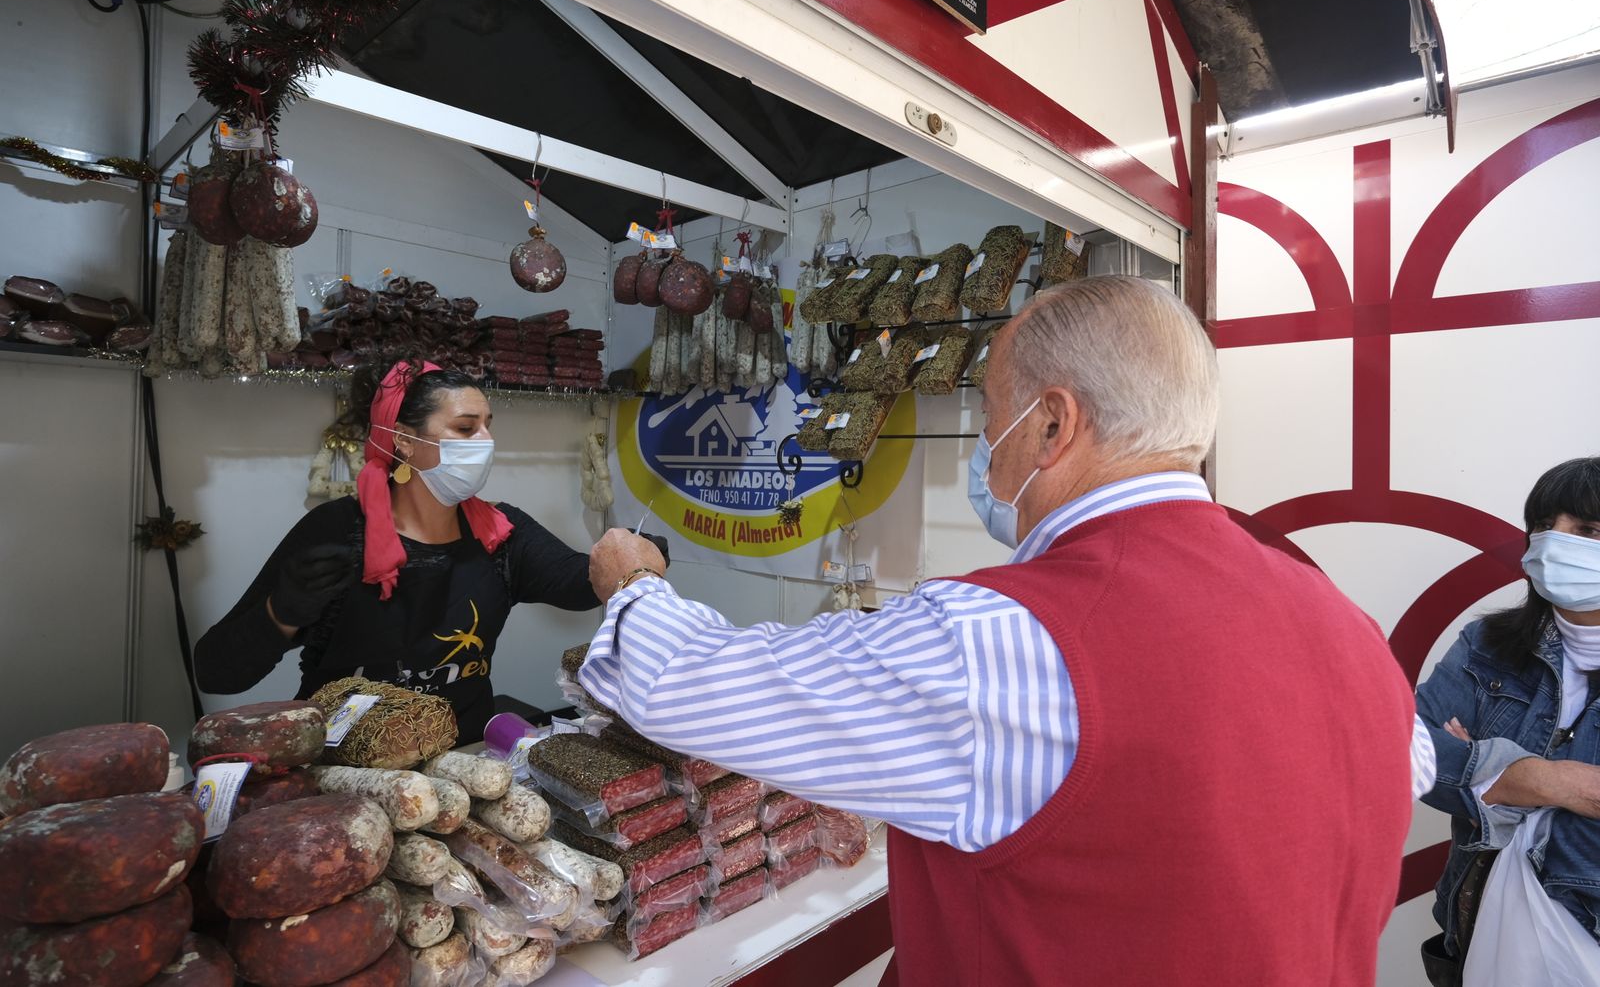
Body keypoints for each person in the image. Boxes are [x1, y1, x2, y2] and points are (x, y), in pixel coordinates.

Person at [579, 275, 1419, 985]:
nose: (987, 446)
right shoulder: (1347, 625)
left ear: (1054, 425)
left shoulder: (1000, 638)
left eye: (990, 413)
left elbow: (684, 685)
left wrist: (635, 583)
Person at [195, 357, 640, 742]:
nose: (484, 441)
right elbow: (219, 673)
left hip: (461, 758)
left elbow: (580, 586)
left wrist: (634, 560)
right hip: (345, 761)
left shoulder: (502, 533)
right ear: (405, 440)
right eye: (466, 428)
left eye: (488, 426)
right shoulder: (338, 530)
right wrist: (281, 615)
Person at [1414, 457, 1600, 987]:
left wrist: (1479, 771)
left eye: (1587, 530)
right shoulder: (1488, 646)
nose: (1554, 543)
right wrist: (1543, 780)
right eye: (1544, 526)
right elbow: (1407, 749)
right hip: (1476, 935)